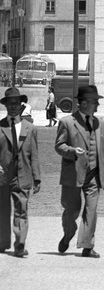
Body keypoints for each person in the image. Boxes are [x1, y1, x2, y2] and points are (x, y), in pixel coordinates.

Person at [55, 85, 104, 258]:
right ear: (83, 103)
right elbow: (59, 146)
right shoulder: (67, 122)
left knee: (91, 210)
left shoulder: (99, 123)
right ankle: (68, 234)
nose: (97, 106)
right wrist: (72, 151)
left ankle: (87, 246)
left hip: (94, 175)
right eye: (95, 102)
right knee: (71, 210)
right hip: (73, 173)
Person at [0, 87, 41, 257]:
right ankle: (2, 242)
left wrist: (37, 178)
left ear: (21, 105)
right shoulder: (0, 126)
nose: (13, 107)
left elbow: (34, 155)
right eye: (10, 104)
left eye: (16, 103)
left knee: (21, 209)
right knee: (2, 210)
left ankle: (20, 244)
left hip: (22, 175)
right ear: (6, 105)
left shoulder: (30, 128)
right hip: (2, 177)